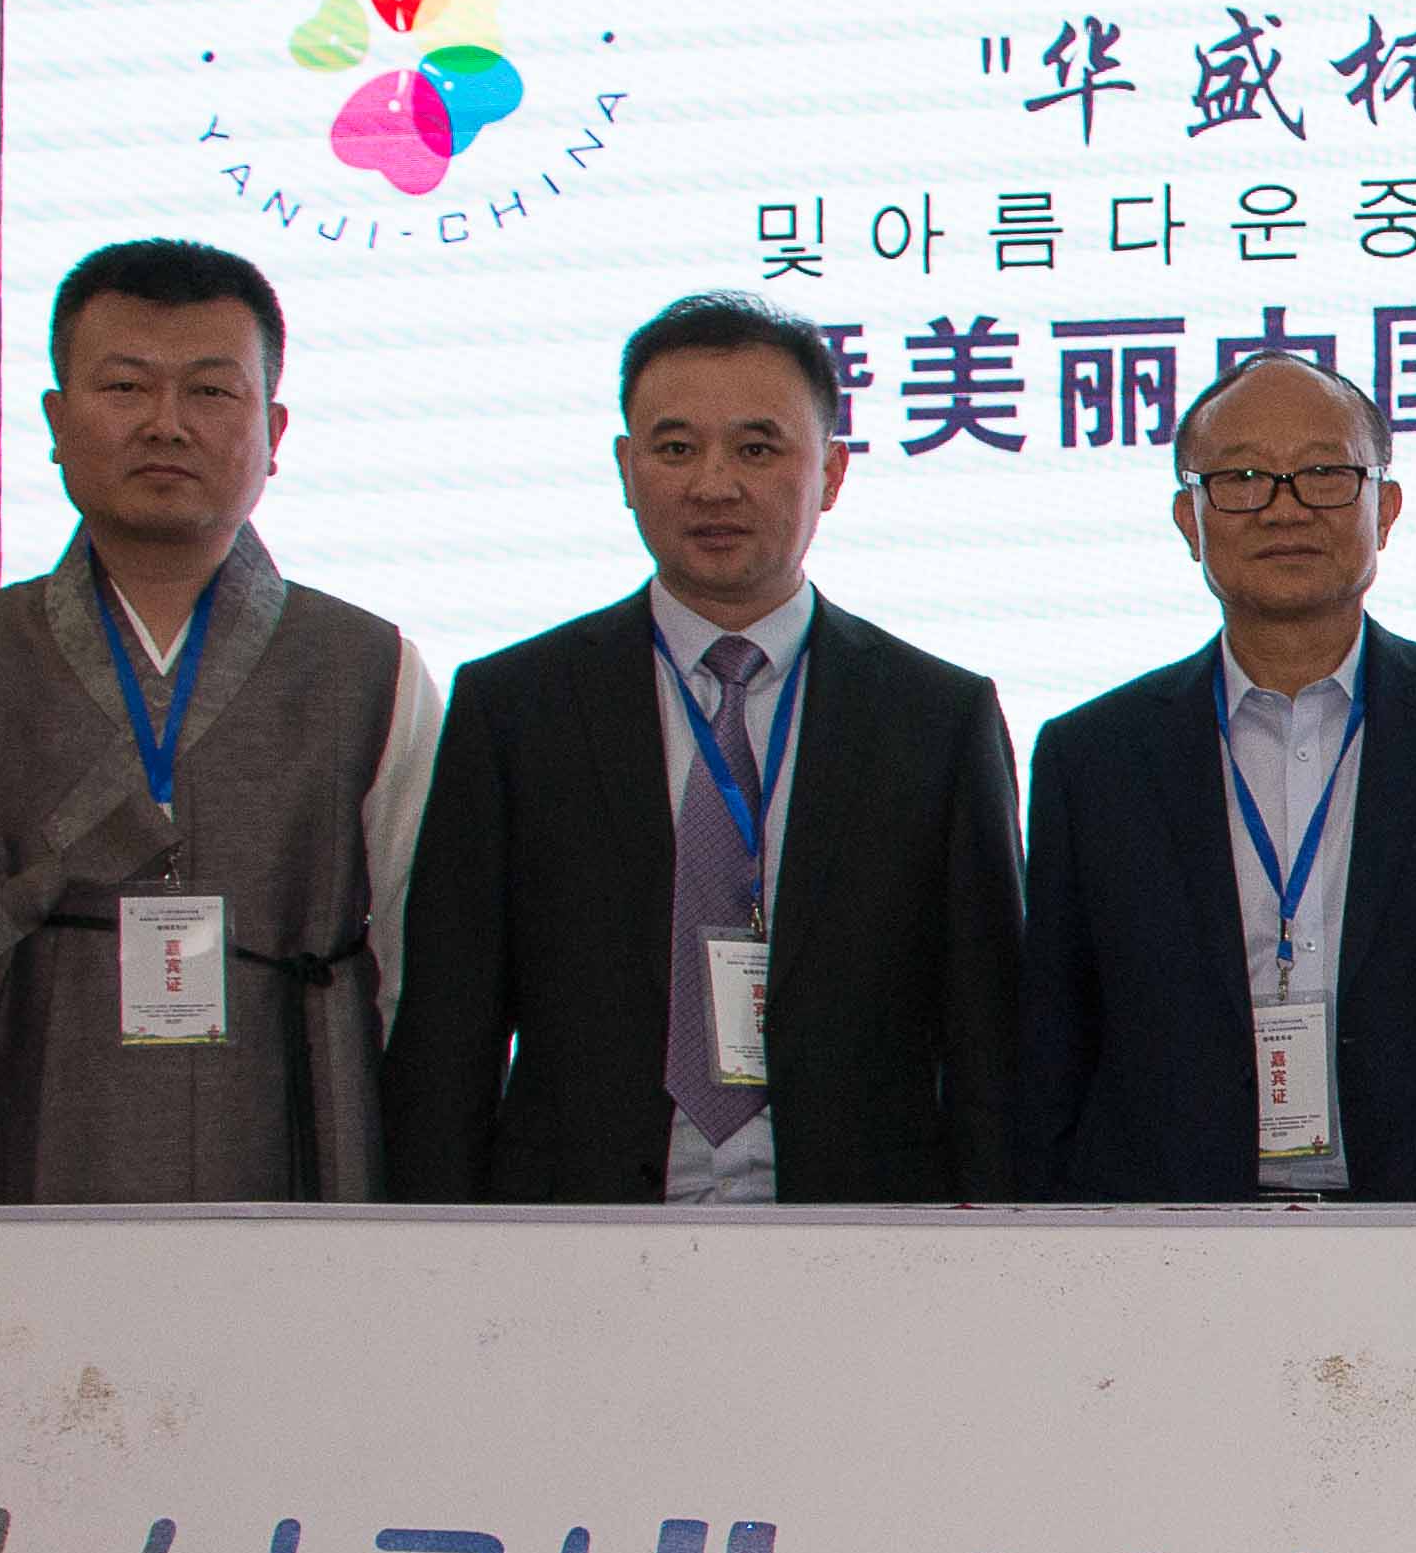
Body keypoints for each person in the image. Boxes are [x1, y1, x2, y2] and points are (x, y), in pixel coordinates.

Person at [0, 239, 441, 1204]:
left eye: (210, 391)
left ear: (273, 430)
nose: (165, 423)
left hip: (294, 1164)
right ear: (57, 423)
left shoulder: (371, 668)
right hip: (23, 1160)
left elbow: (420, 985)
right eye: (126, 386)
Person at [383, 294, 1022, 1204]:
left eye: (757, 450)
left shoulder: (936, 719)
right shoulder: (516, 708)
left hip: (862, 1234)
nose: (714, 485)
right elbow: (450, 1031)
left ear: (832, 471)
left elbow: (990, 1044)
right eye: (676, 448)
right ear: (626, 468)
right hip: (574, 1235)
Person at [1016, 352, 1416, 1200]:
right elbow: (1053, 1048)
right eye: (1242, 477)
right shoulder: (1094, 756)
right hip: (1169, 1232)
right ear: (1189, 519)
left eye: (1326, 473)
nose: (1285, 506)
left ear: (1385, 508)